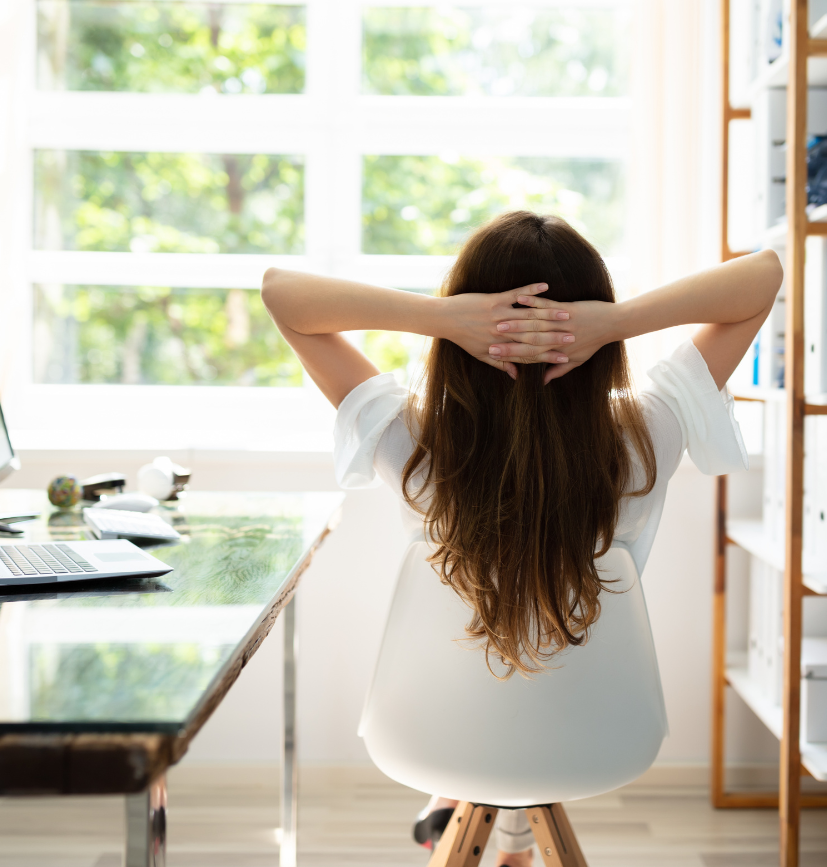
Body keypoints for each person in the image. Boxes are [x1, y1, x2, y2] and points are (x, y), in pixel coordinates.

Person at [262, 211, 782, 866]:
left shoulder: (417, 443)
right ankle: (501, 833)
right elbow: (764, 277)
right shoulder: (645, 437)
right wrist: (612, 322)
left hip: (436, 730)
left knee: (480, 676)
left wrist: (447, 318)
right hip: (593, 731)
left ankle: (455, 803)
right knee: (528, 679)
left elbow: (281, 292)